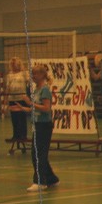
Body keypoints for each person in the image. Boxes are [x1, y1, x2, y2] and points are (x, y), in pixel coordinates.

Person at [20, 63, 59, 192]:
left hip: (44, 125)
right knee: (39, 153)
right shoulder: (36, 89)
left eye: (35, 73)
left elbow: (46, 108)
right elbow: (36, 108)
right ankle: (52, 179)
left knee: (38, 154)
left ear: (42, 75)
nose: (33, 76)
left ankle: (40, 182)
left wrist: (30, 103)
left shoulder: (45, 90)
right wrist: (24, 108)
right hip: (37, 124)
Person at [4, 57, 30, 144]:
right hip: (12, 99)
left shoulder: (24, 73)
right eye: (11, 64)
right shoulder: (9, 75)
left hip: (21, 98)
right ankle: (15, 135)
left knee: (21, 118)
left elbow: (30, 82)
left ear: (18, 64)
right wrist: (6, 100)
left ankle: (23, 135)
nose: (13, 65)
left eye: (14, 63)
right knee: (14, 118)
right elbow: (7, 87)